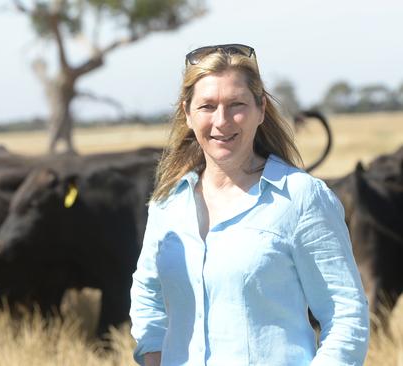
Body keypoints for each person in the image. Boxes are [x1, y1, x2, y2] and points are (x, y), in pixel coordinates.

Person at [129, 44, 369, 365]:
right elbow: (148, 296)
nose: (222, 121)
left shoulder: (300, 197)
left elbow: (345, 314)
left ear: (261, 109)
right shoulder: (168, 202)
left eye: (236, 104)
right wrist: (155, 357)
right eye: (207, 106)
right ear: (187, 113)